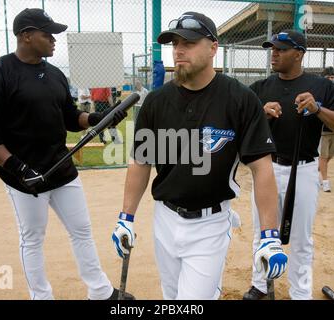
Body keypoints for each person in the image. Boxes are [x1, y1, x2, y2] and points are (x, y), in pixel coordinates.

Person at [111, 11, 287, 300]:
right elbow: (141, 163)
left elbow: (262, 168)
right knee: (172, 297)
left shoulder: (240, 99)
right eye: (175, 44)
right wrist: (125, 217)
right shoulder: (156, 102)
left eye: (189, 43)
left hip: (210, 225)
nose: (179, 51)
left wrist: (269, 235)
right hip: (164, 219)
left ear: (213, 48)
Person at [0, 8, 133, 300]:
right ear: (26, 36)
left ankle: (100, 292)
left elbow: (69, 116)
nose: (54, 40)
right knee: (32, 239)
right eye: (47, 34)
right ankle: (41, 297)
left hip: (61, 167)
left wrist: (96, 120)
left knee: (82, 231)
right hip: (23, 177)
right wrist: (17, 167)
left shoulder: (54, 74)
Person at [243, 30, 334, 300]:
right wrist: (260, 112)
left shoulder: (322, 87)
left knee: (302, 238)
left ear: (299, 54)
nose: (274, 53)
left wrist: (318, 109)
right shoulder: (261, 87)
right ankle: (260, 284)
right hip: (266, 168)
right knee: (262, 232)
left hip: (303, 169)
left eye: (281, 49)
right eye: (273, 48)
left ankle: (300, 292)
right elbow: (238, 123)